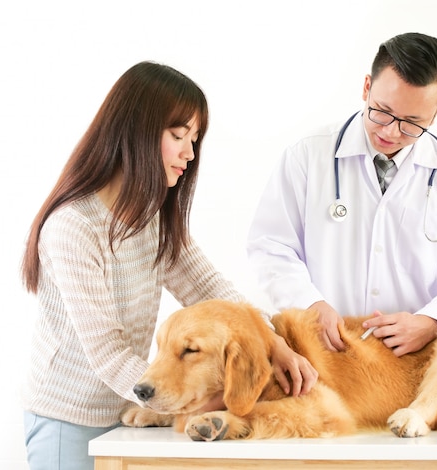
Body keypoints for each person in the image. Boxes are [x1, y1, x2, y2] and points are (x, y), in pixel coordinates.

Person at [20, 61, 317, 470]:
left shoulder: (152, 219)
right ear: (136, 131)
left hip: (126, 413)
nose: (189, 152)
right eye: (178, 135)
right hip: (68, 420)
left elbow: (212, 290)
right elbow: (107, 352)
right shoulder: (73, 227)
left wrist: (273, 343)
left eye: (194, 139)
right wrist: (179, 397)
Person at [247, 33, 437, 357]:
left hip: (409, 361)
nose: (391, 132)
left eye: (412, 123)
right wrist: (309, 303)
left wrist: (432, 321)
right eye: (382, 111)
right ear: (367, 87)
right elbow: (270, 246)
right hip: (322, 352)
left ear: (436, 114)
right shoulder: (308, 156)